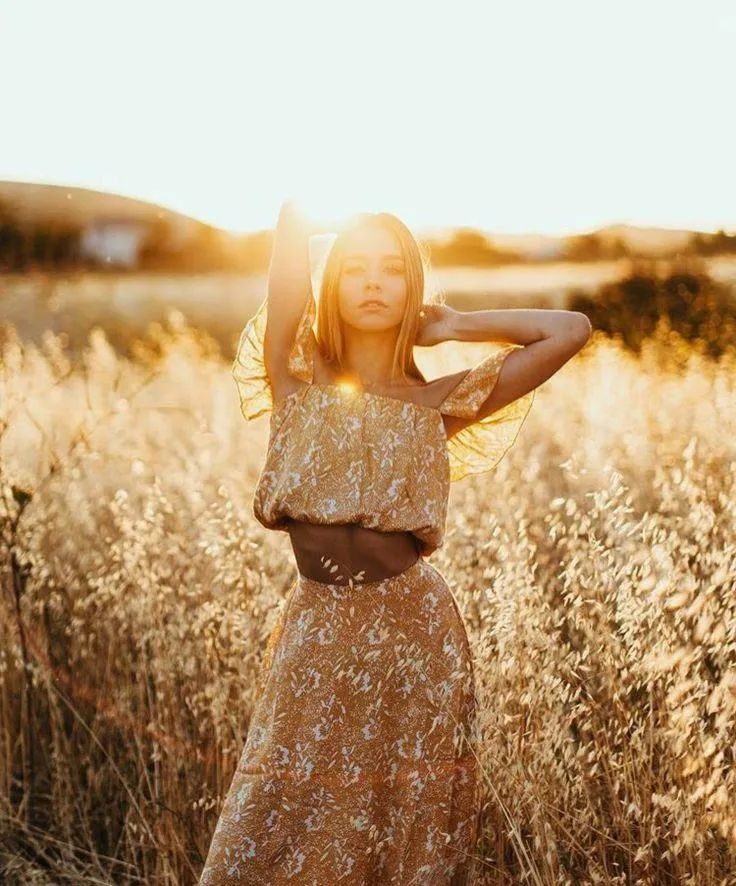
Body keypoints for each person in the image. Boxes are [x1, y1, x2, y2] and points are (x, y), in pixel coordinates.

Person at [198, 200, 591, 884]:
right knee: (266, 828)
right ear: (332, 285)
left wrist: (455, 325)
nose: (373, 283)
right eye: (355, 269)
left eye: (391, 271)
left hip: (416, 639)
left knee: (395, 833)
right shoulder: (292, 377)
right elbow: (290, 230)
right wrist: (306, 214)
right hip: (317, 632)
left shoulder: (443, 399)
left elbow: (568, 330)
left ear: (414, 288)